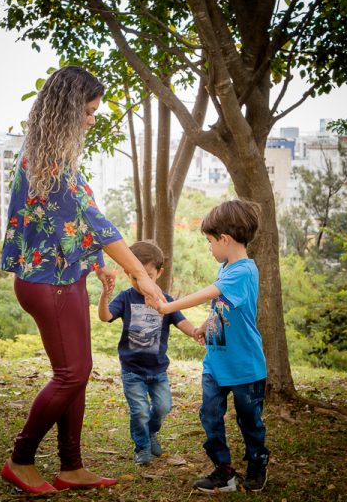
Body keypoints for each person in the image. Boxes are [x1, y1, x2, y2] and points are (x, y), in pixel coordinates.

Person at [0, 66, 166, 494]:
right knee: (71, 373)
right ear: (67, 110)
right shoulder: (49, 162)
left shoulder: (49, 154)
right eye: (89, 111)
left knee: (78, 371)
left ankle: (71, 466)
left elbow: (62, 225)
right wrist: (140, 276)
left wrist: (95, 265)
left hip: (63, 277)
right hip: (47, 284)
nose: (93, 119)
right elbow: (94, 221)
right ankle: (20, 459)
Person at [154, 199, 270, 493]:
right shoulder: (227, 267)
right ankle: (224, 470)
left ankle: (257, 463)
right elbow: (221, 304)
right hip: (216, 364)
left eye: (209, 242)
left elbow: (210, 293)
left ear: (225, 239)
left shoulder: (244, 271)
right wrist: (206, 325)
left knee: (250, 423)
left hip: (245, 367)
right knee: (209, 416)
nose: (209, 248)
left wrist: (168, 306)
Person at [97, 241, 201, 465]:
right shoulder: (125, 298)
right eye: (136, 277)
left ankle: (151, 431)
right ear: (128, 273)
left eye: (148, 276)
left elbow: (180, 321)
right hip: (132, 370)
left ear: (159, 273)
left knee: (163, 407)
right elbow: (105, 317)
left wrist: (194, 332)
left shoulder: (165, 300)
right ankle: (142, 446)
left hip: (158, 369)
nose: (141, 282)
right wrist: (104, 296)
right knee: (140, 411)